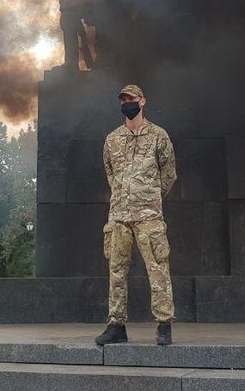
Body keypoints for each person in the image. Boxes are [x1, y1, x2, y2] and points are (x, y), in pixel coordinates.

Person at [96, 85, 177, 346]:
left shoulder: (158, 136)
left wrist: (150, 198)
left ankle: (164, 325)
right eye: (123, 100)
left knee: (158, 269)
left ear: (142, 101)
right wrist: (124, 197)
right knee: (116, 271)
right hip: (119, 215)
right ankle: (116, 325)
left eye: (131, 99)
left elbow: (169, 175)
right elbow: (111, 175)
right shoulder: (112, 139)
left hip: (148, 216)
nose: (127, 103)